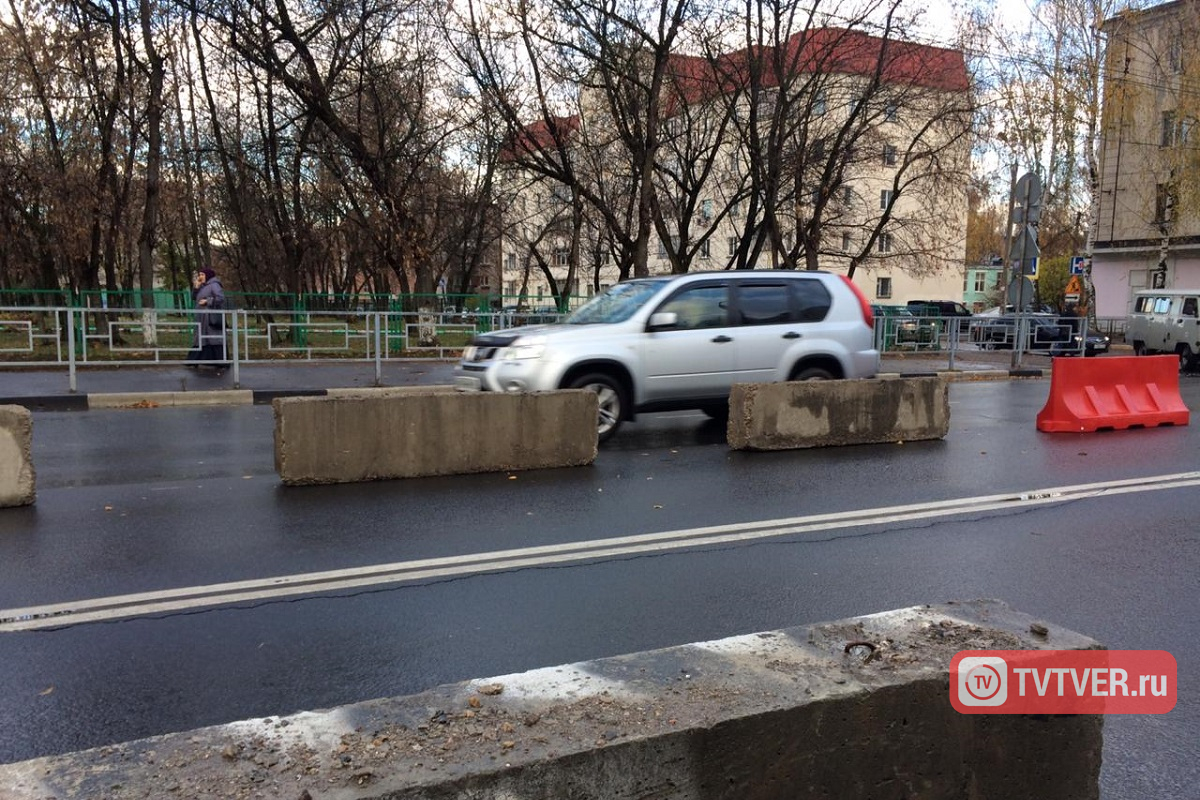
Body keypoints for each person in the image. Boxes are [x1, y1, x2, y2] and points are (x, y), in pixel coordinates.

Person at [187, 268, 227, 373]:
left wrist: (207, 301)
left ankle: (220, 362)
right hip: (201, 318)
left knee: (213, 338)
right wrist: (196, 287)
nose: (200, 277)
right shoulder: (202, 286)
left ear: (208, 276)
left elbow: (221, 298)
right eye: (199, 274)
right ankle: (196, 361)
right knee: (201, 338)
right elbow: (194, 298)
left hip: (210, 317)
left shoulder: (214, 285)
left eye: (202, 274)